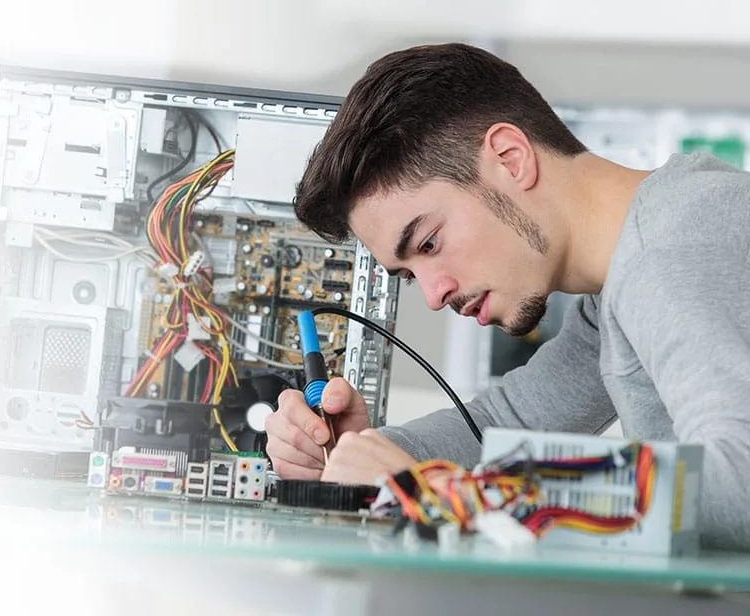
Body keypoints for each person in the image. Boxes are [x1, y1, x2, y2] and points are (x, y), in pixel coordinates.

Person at [264, 42, 750, 550]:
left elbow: (741, 484)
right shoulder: (622, 282)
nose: (433, 295)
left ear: (509, 158)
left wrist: (448, 491)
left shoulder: (671, 250)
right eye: (409, 274)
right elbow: (503, 425)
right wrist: (359, 451)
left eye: (429, 243)